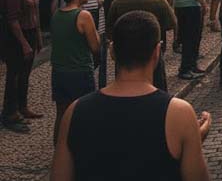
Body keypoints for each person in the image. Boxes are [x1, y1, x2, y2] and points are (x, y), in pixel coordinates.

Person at [51, 11, 212, 180]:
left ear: (112, 51)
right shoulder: (179, 113)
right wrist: (192, 141)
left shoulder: (75, 112)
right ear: (157, 52)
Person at [107, 0, 177, 91]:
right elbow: (171, 24)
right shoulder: (158, 2)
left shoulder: (117, 4)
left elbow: (111, 31)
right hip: (152, 56)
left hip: (124, 57)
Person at [50, 0, 100, 143]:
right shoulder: (83, 15)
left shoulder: (57, 14)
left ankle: (59, 147)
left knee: (62, 113)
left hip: (59, 71)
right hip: (79, 71)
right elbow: (95, 46)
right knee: (84, 112)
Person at [0, 0, 41, 132]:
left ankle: (22, 106)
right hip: (16, 38)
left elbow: (35, 14)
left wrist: (38, 37)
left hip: (31, 33)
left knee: (25, 74)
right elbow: (13, 21)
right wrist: (24, 43)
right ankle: (10, 112)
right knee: (14, 75)